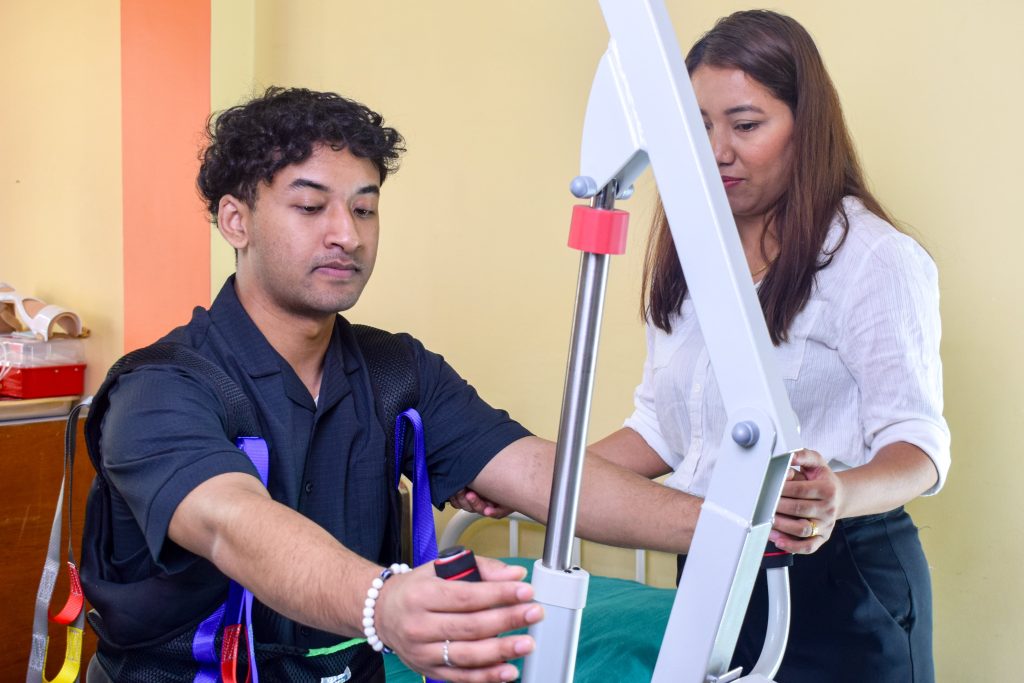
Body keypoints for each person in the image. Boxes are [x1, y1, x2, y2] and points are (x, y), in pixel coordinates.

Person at [80, 86, 712, 683]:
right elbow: (232, 522)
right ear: (235, 221)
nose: (347, 234)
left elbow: (538, 472)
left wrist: (727, 528)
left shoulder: (396, 370)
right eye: (310, 207)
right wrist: (381, 603)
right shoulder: (157, 389)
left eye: (364, 208)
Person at [455, 9, 950, 683]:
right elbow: (662, 431)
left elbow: (918, 447)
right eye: (698, 126)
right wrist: (534, 486)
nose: (717, 151)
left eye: (745, 125)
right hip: (713, 573)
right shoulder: (696, 256)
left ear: (807, 126)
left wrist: (837, 493)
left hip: (841, 583)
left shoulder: (872, 259)